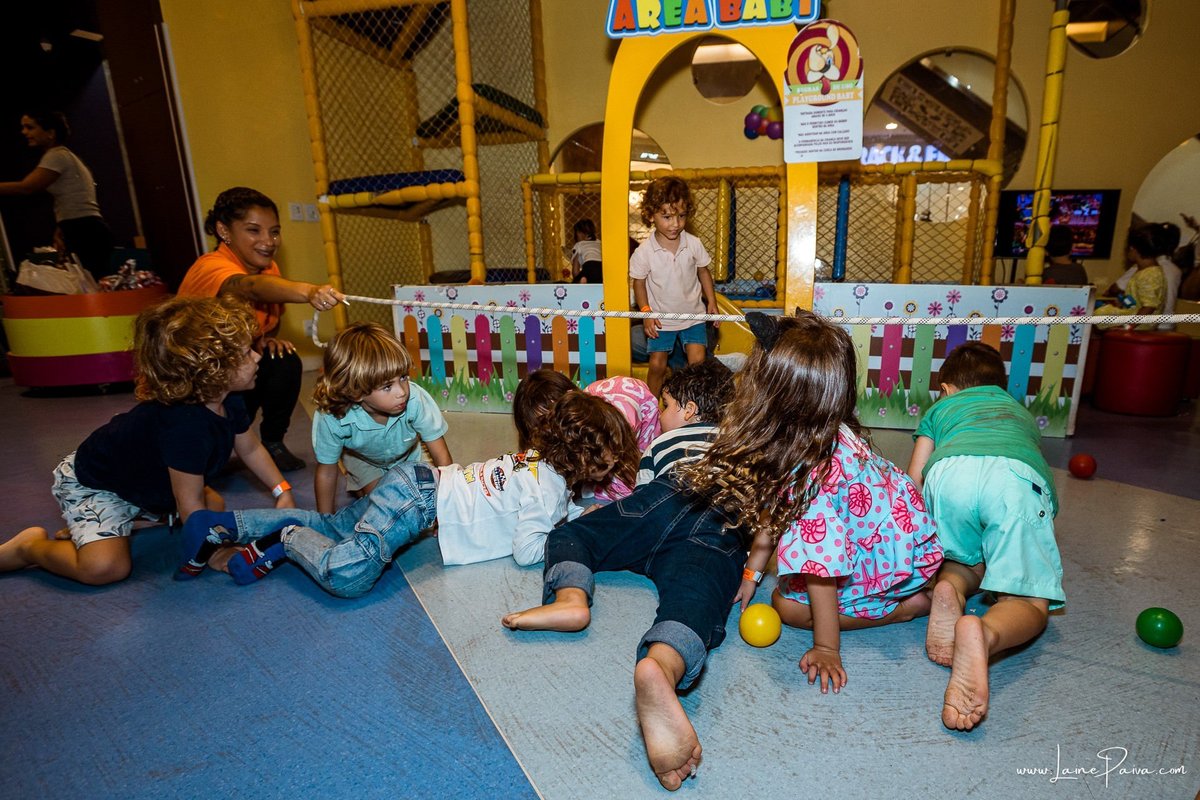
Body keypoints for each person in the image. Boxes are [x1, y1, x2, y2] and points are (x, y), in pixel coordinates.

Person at [688, 312, 942, 695]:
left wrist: (826, 647)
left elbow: (822, 570)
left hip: (885, 557)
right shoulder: (819, 431)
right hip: (897, 533)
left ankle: (907, 609)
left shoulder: (811, 478)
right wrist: (751, 573)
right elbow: (774, 513)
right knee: (786, 586)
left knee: (787, 607)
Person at [178, 392, 640, 593]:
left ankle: (222, 524)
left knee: (333, 526)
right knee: (349, 574)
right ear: (582, 458)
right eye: (607, 457)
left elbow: (553, 505)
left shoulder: (538, 464)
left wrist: (574, 513)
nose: (611, 465)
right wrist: (570, 532)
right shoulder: (546, 492)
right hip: (417, 503)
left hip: (415, 482)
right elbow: (526, 550)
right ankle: (284, 540)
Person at [0, 297, 294, 586]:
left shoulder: (229, 398)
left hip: (146, 484)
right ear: (212, 370)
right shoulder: (185, 426)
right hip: (97, 485)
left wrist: (282, 491)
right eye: (246, 354)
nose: (257, 357)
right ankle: (29, 546)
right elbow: (189, 504)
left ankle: (99, 528)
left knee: (214, 505)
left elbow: (250, 448)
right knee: (104, 568)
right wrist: (215, 553)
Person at [905, 341, 1064, 732]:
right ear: (1000, 388)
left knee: (963, 558)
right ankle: (986, 633)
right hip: (1012, 480)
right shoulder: (1019, 413)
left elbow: (915, 478)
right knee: (1026, 599)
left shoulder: (941, 409)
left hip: (949, 476)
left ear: (946, 389)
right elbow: (1026, 459)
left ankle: (951, 588)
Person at [178, 187, 346, 472]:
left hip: (228, 371)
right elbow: (249, 289)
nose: (268, 242)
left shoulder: (268, 269)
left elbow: (269, 317)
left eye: (275, 232)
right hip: (191, 383)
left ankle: (272, 442)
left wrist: (266, 340)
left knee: (283, 360)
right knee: (199, 460)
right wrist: (310, 291)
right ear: (224, 231)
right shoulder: (211, 267)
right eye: (254, 230)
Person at [311, 322, 453, 514]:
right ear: (356, 392)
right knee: (388, 505)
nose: (402, 392)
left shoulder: (415, 399)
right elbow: (327, 472)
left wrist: (450, 504)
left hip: (410, 455)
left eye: (403, 377)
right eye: (387, 386)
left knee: (429, 498)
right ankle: (362, 487)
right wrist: (324, 521)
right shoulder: (332, 417)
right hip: (364, 461)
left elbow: (441, 454)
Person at [630, 176, 719, 397]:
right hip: (661, 319)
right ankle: (650, 405)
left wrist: (712, 301)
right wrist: (646, 312)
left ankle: (693, 404)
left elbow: (703, 271)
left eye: (681, 216)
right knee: (657, 364)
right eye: (667, 217)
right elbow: (639, 284)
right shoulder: (644, 252)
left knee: (697, 363)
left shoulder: (693, 244)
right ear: (651, 214)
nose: (675, 224)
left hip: (693, 316)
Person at [0, 111, 113, 276]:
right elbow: (75, 197)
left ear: (51, 133)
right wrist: (61, 228)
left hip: (84, 231)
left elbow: (27, 187)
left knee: (90, 285)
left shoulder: (56, 156)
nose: (24, 132)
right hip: (86, 228)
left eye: (30, 127)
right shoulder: (65, 155)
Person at [635, 359, 733, 486]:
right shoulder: (734, 441)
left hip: (670, 493)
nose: (660, 415)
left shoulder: (658, 445)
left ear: (689, 410)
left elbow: (642, 495)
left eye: (665, 406)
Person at [584, 375, 660, 502]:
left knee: (634, 485)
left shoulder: (629, 428)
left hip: (637, 397)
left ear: (615, 455)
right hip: (595, 395)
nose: (598, 479)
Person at [1096, 225, 1169, 329]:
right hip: (1135, 315)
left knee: (1098, 314)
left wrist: (1129, 326)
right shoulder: (1147, 271)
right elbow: (1137, 300)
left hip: (1140, 324)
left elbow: (1149, 306)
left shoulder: (1150, 274)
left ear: (1133, 248)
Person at [569, 218, 603, 284]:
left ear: (579, 233)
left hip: (589, 265)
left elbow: (575, 271)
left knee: (580, 279)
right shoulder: (600, 243)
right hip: (602, 268)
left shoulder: (579, 244)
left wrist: (577, 278)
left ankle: (582, 280)